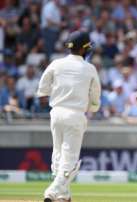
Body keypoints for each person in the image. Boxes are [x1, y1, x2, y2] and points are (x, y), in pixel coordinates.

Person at [37, 30, 101, 202]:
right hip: (75, 114)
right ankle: (52, 191)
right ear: (83, 49)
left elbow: (42, 90)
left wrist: (51, 96)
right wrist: (91, 108)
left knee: (58, 154)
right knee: (70, 159)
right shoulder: (89, 68)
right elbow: (95, 99)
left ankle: (64, 196)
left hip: (56, 113)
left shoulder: (56, 64)